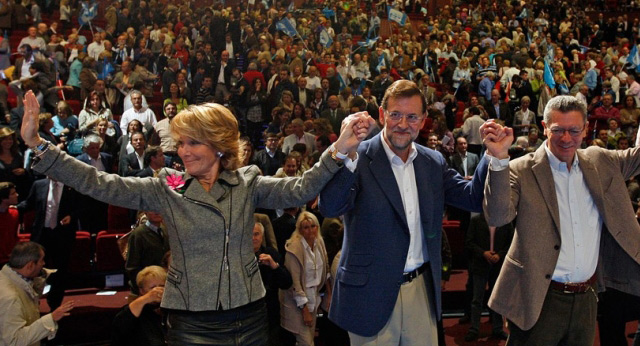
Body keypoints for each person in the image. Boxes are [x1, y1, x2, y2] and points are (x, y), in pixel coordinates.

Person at [20, 90, 372, 344]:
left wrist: (338, 149)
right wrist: (38, 144)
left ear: (218, 145)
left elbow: (299, 188)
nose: (183, 151)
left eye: (193, 143)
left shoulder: (247, 180)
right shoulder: (167, 185)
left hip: (250, 317)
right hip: (192, 324)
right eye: (181, 143)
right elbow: (99, 183)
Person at [318, 80, 507, 344]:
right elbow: (329, 207)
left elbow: (474, 199)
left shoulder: (433, 162)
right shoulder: (357, 155)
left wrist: (493, 156)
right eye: (395, 114)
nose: (403, 124)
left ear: (423, 120)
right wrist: (345, 151)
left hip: (420, 290)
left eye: (411, 116)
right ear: (382, 114)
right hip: (370, 294)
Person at [484, 95, 640, 345]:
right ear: (545, 127)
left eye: (574, 130)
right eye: (557, 130)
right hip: (538, 298)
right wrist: (499, 159)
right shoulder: (519, 169)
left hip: (587, 297)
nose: (566, 138)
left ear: (586, 128)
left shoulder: (601, 161)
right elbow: (497, 216)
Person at [17, 177, 84, 310]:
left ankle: (55, 302)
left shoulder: (72, 185)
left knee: (61, 269)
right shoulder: (38, 185)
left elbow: (82, 207)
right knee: (37, 270)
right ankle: (34, 302)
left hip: (62, 234)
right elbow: (29, 203)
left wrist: (72, 216)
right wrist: (13, 208)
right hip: (42, 234)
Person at [0, 242, 75, 345]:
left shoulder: (10, 277)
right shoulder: (10, 298)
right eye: (42, 260)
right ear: (30, 265)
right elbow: (14, 341)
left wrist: (41, 276)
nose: (44, 264)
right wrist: (51, 318)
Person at [280, 212, 331, 346]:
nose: (310, 230)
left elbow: (326, 269)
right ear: (300, 230)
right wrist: (305, 311)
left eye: (313, 226)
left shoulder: (319, 242)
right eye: (306, 227)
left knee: (309, 339)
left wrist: (329, 294)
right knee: (307, 342)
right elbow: (295, 284)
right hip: (296, 301)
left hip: (313, 297)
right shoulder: (294, 248)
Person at [464, 214, 513, 342]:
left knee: (497, 300)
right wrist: (483, 253)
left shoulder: (506, 221)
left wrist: (500, 255)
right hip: (480, 265)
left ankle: (497, 329)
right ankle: (474, 329)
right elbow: (469, 242)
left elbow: (512, 243)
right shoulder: (476, 221)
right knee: (477, 299)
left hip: (498, 266)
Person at [252, 222, 292, 346]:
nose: (253, 238)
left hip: (270, 311)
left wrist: (274, 266)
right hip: (249, 314)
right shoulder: (238, 257)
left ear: (262, 236)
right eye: (249, 234)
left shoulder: (271, 253)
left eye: (256, 234)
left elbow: (286, 283)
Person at [111, 265, 167, 346]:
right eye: (152, 287)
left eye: (162, 286)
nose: (157, 290)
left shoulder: (170, 310)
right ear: (141, 290)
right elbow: (121, 325)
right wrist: (147, 298)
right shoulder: (133, 311)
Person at [125, 211, 170, 295]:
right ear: (145, 212)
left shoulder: (166, 231)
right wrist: (142, 289)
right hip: (146, 288)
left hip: (164, 285)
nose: (157, 212)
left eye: (159, 208)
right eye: (152, 209)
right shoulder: (138, 234)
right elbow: (132, 267)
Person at [0, 182, 19, 266]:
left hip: (10, 258)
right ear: (3, 198)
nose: (17, 195)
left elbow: (14, 236)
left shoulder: (14, 213)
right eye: (13, 193)